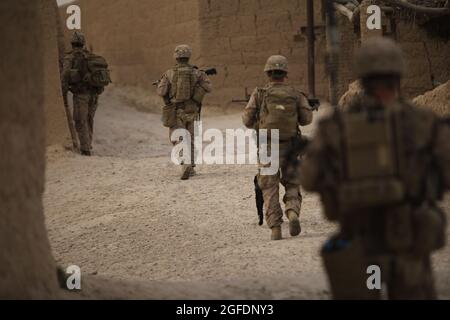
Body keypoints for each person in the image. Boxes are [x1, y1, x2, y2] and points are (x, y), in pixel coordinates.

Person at [301, 37, 449, 299]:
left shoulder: (336, 127)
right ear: (399, 74)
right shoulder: (422, 122)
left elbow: (309, 179)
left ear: (362, 77)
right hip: (409, 245)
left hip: (360, 245)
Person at [242, 55, 313, 240]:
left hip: (268, 146)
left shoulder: (259, 94)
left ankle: (275, 227)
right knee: (292, 183)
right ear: (285, 74)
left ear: (268, 73)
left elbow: (247, 121)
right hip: (291, 146)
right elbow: (306, 120)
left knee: (269, 187)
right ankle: (292, 212)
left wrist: (260, 118)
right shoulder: (296, 94)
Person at [157, 45, 212, 180]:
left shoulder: (169, 73)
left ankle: (185, 163)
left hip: (176, 111)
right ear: (189, 56)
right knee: (192, 138)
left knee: (179, 138)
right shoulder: (197, 73)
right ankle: (191, 166)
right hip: (192, 110)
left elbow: (161, 92)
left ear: (176, 56)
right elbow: (208, 88)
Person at [62, 31, 110, 156]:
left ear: (72, 43)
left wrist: (63, 92)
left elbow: (65, 76)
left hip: (81, 94)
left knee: (80, 119)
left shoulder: (70, 57)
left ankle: (85, 148)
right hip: (94, 94)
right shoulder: (91, 56)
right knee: (89, 119)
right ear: (83, 43)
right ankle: (87, 144)